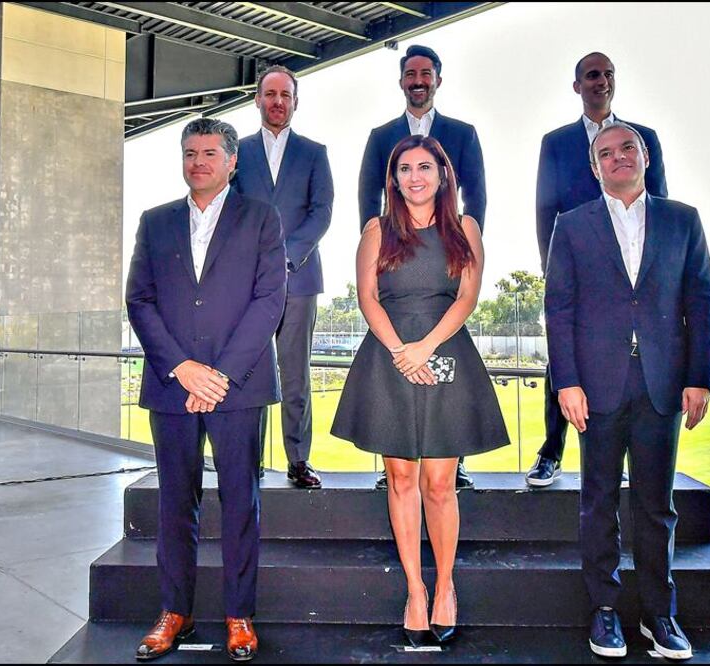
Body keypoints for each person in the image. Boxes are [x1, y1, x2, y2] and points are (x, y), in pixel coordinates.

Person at [544, 122, 710, 660]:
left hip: (664, 385)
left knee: (656, 506)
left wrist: (699, 378)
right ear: (594, 168)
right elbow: (559, 310)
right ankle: (604, 611)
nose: (617, 157)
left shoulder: (683, 220)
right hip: (594, 388)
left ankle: (660, 614)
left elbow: (703, 301)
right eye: (606, 153)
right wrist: (566, 382)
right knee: (597, 503)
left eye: (627, 149)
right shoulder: (571, 227)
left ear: (645, 157)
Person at [333, 135, 509, 647]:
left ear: (442, 173)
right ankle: (414, 589)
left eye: (424, 166)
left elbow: (468, 296)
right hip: (389, 354)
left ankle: (446, 586)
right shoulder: (376, 230)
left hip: (445, 350)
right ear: (393, 179)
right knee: (401, 477)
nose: (415, 176)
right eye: (405, 168)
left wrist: (425, 348)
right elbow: (368, 298)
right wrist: (399, 351)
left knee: (439, 481)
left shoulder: (466, 228)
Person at [126, 118, 287, 662]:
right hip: (172, 387)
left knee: (241, 502)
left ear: (232, 161)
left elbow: (269, 302)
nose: (199, 161)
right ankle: (176, 611)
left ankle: (239, 615)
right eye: (190, 151)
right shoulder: (154, 222)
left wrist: (216, 377)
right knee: (175, 503)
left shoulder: (262, 219)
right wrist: (182, 369)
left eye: (210, 152)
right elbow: (140, 301)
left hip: (236, 387)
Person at [527, 51, 669, 488]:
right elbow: (544, 208)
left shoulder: (644, 138)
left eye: (608, 74)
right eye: (592, 75)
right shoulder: (556, 143)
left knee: (628, 361)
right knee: (563, 360)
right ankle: (551, 452)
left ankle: (624, 458)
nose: (601, 81)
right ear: (577, 86)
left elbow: (660, 206)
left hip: (632, 277)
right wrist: (552, 272)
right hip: (578, 273)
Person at [358, 44, 486, 490]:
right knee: (395, 382)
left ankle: (455, 462)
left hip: (447, 260)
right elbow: (366, 198)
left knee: (445, 378)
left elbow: (477, 197)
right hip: (395, 258)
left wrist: (458, 250)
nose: (418, 79)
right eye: (410, 72)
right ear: (401, 81)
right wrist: (386, 249)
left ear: (437, 79)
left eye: (425, 72)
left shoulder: (462, 133)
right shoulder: (380, 136)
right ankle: (393, 456)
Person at [233, 65, 334, 489]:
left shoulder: (314, 153)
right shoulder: (235, 150)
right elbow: (229, 212)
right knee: (248, 373)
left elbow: (322, 211)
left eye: (285, 95)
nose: (278, 102)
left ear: (295, 101)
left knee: (296, 376)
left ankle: (298, 461)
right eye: (270, 94)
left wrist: (285, 258)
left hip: (299, 279)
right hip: (247, 283)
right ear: (257, 99)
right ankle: (248, 462)